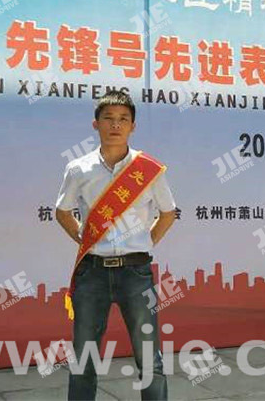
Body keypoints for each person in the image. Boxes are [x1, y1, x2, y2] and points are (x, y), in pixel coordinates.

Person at [55, 89, 176, 400]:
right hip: (92, 272)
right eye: (108, 118)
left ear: (133, 126)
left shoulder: (148, 170)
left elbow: (168, 213)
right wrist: (85, 238)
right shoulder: (79, 169)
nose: (115, 125)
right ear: (95, 124)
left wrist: (146, 242)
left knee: (149, 359)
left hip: (136, 273)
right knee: (83, 360)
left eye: (123, 119)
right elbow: (62, 211)